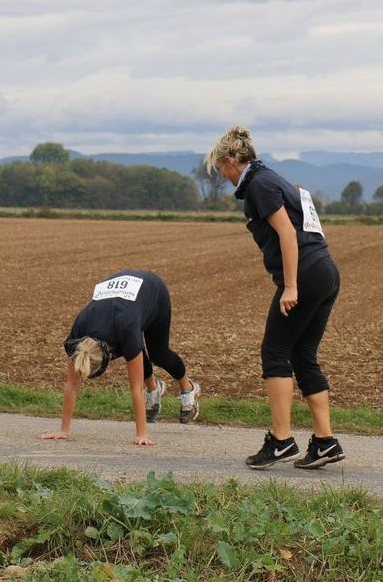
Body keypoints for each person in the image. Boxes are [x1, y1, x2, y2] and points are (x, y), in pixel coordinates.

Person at [206, 126, 345, 470]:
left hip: (307, 276)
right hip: (325, 271)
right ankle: (325, 442)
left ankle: (282, 442)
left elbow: (287, 233)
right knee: (303, 355)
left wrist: (291, 286)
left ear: (231, 161)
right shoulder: (272, 179)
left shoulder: (259, 184)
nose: (222, 176)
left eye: (220, 169)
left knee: (275, 353)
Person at [38, 270, 200, 446]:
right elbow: (73, 383)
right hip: (121, 306)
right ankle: (154, 388)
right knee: (133, 350)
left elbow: (136, 388)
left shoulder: (126, 328)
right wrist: (64, 431)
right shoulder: (78, 334)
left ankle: (188, 388)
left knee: (158, 354)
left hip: (154, 293)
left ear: (109, 353)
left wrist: (142, 434)